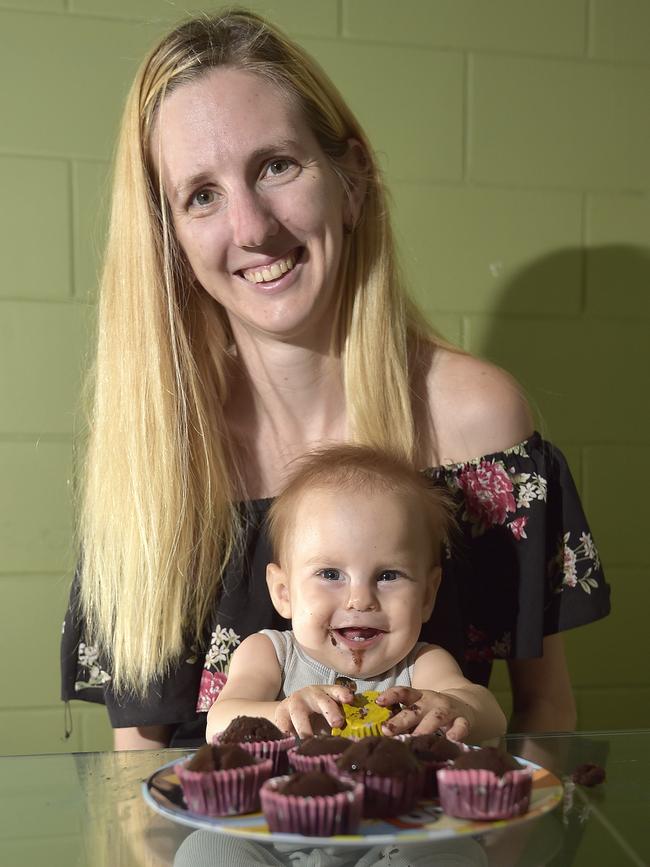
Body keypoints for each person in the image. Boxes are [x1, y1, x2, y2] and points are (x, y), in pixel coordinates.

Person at [60, 9, 610, 751]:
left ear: (349, 182)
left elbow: (545, 715)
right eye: (202, 195)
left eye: (275, 166)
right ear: (172, 243)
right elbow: (139, 757)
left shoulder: (481, 424)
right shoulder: (155, 457)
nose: (252, 227)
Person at [207, 445, 507, 744]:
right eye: (330, 574)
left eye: (388, 576)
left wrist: (456, 708)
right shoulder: (271, 654)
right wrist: (287, 711)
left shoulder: (422, 664)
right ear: (283, 592)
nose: (360, 599)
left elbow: (493, 717)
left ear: (427, 596)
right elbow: (218, 722)